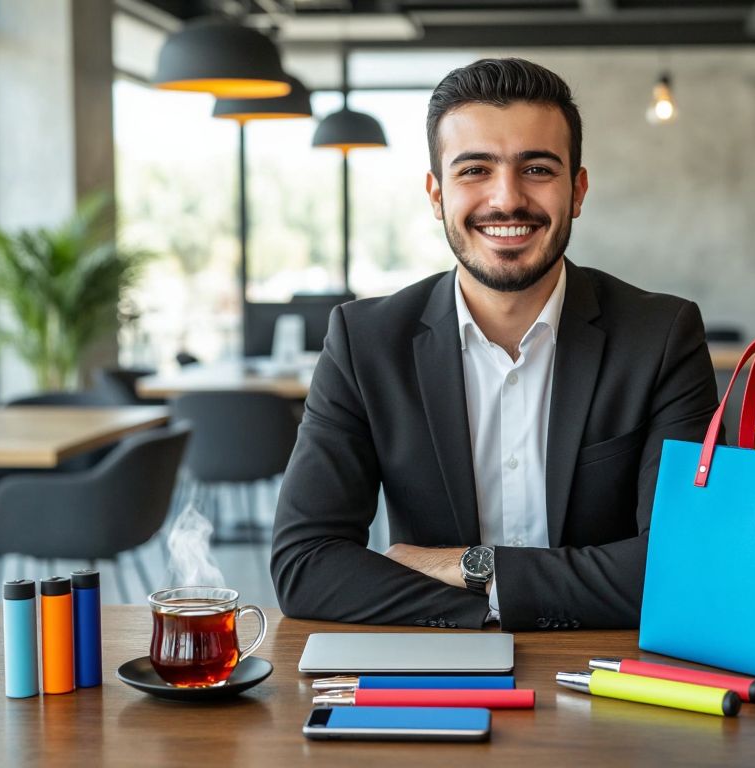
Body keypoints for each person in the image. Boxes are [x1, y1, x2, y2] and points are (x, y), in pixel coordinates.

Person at [271, 58, 719, 631]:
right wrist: (495, 609)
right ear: (436, 195)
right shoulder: (365, 343)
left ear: (577, 191)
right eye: (474, 170)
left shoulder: (662, 336)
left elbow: (682, 562)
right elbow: (305, 565)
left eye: (537, 168)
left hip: (609, 678)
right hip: (433, 673)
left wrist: (465, 568)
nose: (506, 199)